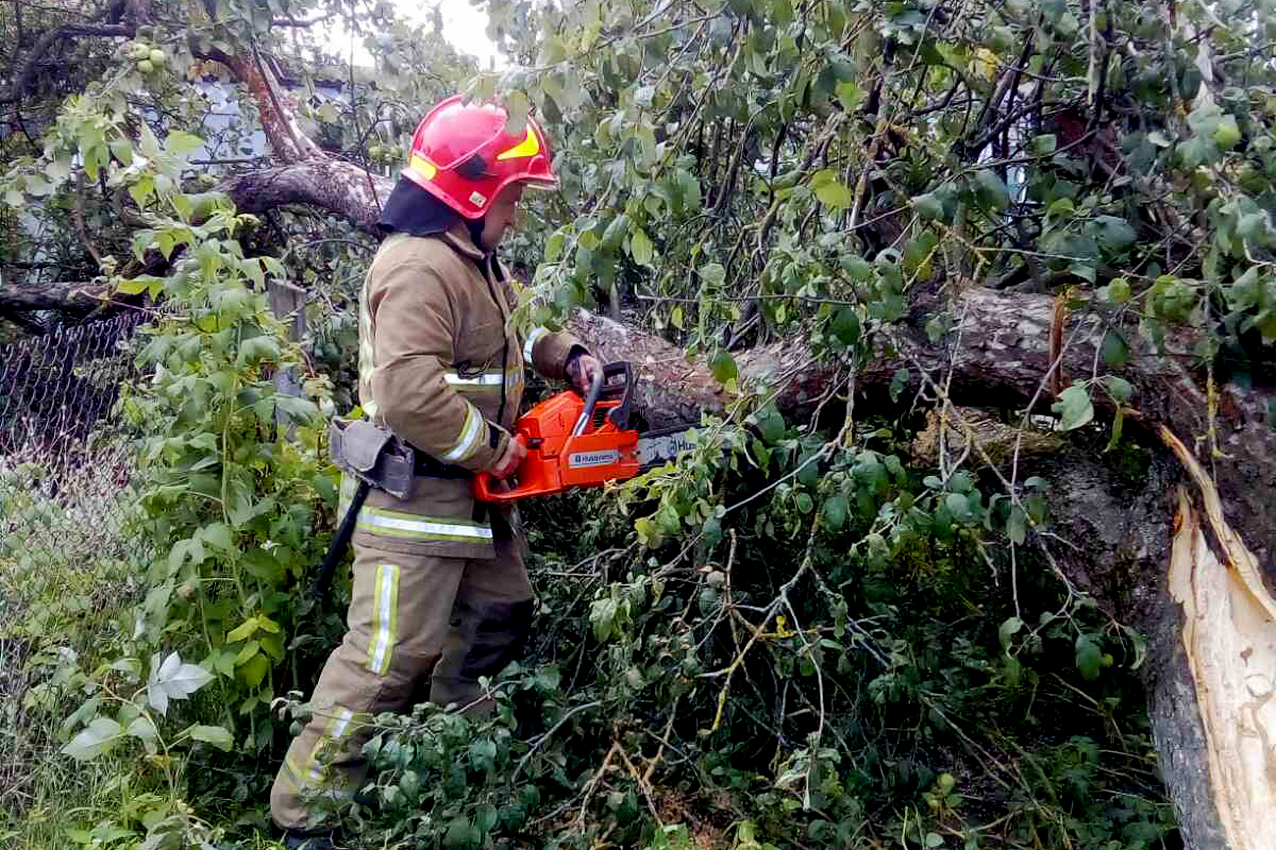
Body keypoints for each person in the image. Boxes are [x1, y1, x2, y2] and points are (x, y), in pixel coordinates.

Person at [271, 95, 602, 848]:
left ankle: (459, 754)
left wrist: (568, 357)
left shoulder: (471, 259)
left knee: (499, 612)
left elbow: (513, 335)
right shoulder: (419, 266)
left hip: (473, 503)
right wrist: (496, 449)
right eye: (512, 196)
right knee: (388, 659)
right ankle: (303, 819)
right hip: (414, 501)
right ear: (476, 192)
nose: (515, 213)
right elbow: (410, 394)